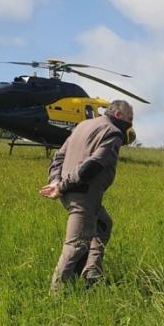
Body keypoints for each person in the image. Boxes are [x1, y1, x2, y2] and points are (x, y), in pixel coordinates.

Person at [40, 100, 135, 292]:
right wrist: (62, 185)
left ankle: (91, 273)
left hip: (72, 191)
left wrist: (55, 181)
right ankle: (57, 295)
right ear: (118, 115)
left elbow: (58, 156)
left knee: (103, 225)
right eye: (129, 119)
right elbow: (93, 166)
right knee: (76, 245)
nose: (130, 124)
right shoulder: (113, 132)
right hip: (82, 194)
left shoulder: (83, 125)